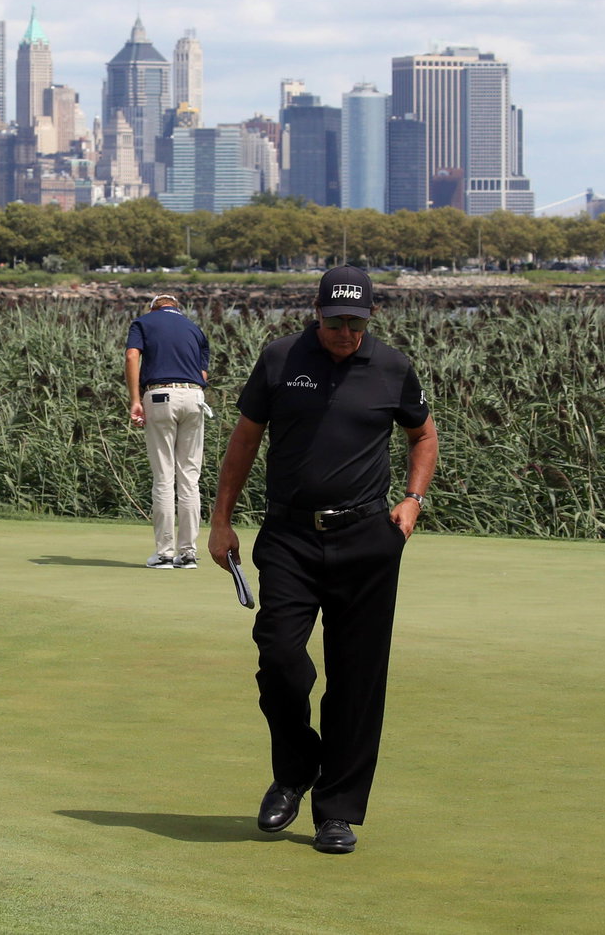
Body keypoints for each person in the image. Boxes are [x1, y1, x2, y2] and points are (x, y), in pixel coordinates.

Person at [206, 266, 438, 855]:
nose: (345, 333)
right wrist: (221, 519)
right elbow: (245, 438)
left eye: (356, 323)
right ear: (316, 311)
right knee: (280, 657)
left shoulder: (391, 366)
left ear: (370, 317)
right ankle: (296, 768)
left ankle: (337, 811)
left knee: (357, 679)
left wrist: (411, 503)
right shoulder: (281, 359)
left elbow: (423, 435)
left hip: (367, 537)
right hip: (290, 536)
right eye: (335, 321)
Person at [125, 293, 210, 569]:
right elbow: (203, 374)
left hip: (160, 395)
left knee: (164, 477)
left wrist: (135, 400)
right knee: (189, 478)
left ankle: (164, 553)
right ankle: (187, 553)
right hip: (195, 397)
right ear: (176, 308)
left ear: (154, 307)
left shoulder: (143, 322)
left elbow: (131, 356)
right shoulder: (194, 328)